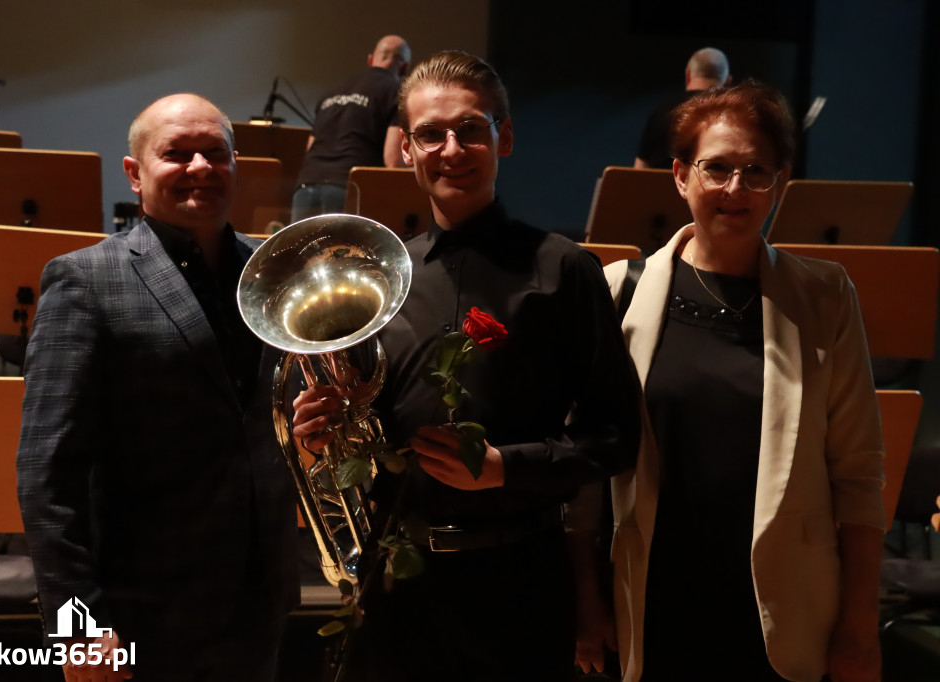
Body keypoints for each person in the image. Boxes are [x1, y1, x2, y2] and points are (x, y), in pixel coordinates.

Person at [293, 50, 642, 682]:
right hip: (397, 588)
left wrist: (507, 468)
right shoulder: (379, 281)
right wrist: (322, 441)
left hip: (519, 584)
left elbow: (617, 437)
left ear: (503, 137)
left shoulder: (563, 270)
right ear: (406, 150)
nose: (451, 148)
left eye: (470, 129)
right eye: (430, 133)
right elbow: (367, 433)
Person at [595, 81, 885, 682]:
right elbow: (586, 480)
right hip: (654, 599)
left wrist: (860, 628)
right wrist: (582, 603)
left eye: (756, 172)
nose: (735, 189)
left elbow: (858, 477)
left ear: (779, 184)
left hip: (782, 613)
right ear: (680, 175)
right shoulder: (617, 291)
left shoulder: (826, 294)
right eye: (717, 168)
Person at [17, 93, 298, 682]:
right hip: (141, 612)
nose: (200, 168)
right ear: (134, 173)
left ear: (235, 164)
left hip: (258, 601)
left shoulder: (271, 272)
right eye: (176, 153)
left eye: (214, 153)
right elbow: (48, 472)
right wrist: (77, 628)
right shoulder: (84, 278)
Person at [291, 35, 411, 222]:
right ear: (404, 68)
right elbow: (393, 160)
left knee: (301, 251)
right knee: (345, 252)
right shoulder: (397, 91)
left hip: (306, 186)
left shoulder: (332, 91)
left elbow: (311, 147)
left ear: (370, 59)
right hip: (349, 188)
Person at [634, 47, 731, 169]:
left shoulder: (661, 113)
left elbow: (640, 170)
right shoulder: (730, 117)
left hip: (659, 188)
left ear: (688, 75)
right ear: (728, 81)